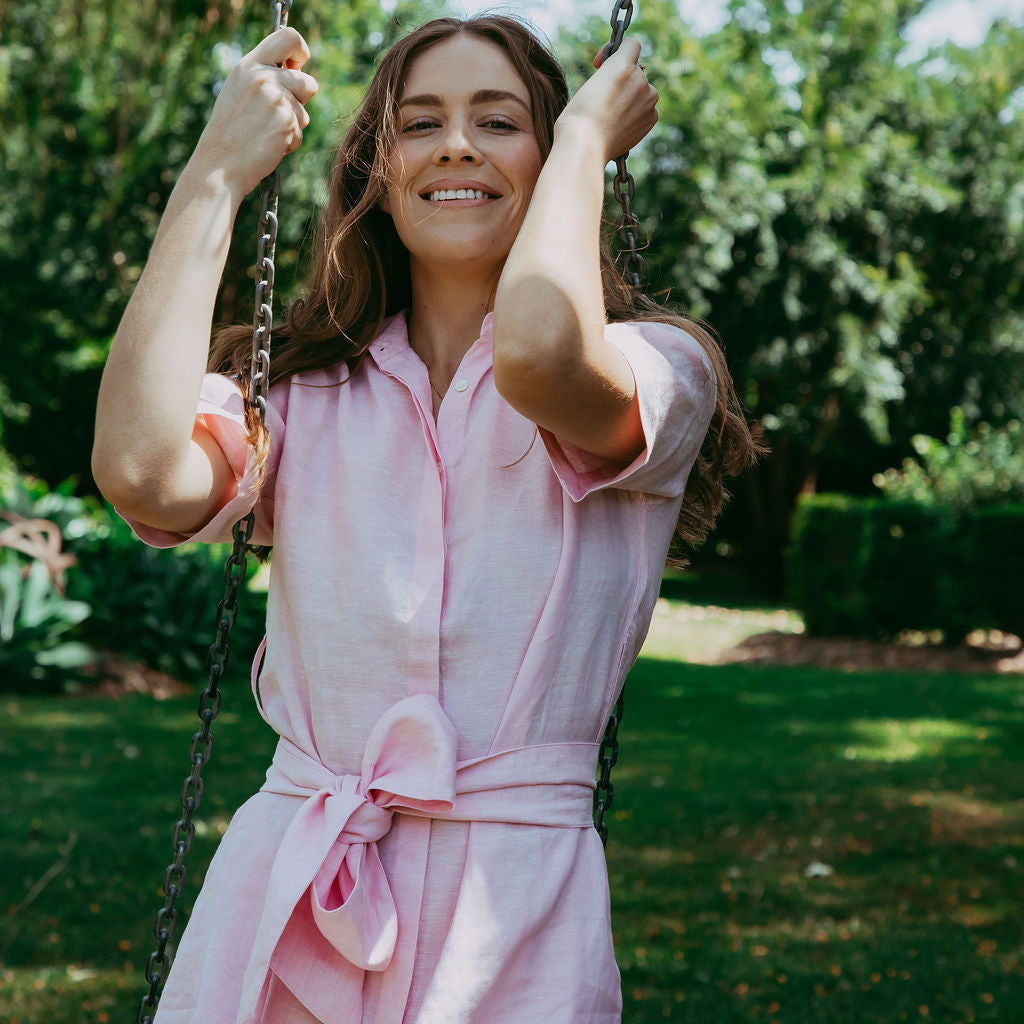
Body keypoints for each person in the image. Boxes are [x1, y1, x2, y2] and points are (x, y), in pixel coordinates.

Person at [92, 13, 761, 1024]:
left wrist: (585, 139)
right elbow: (141, 470)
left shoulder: (657, 367)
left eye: (500, 121)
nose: (456, 144)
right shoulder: (305, 395)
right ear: (379, 169)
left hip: (510, 912)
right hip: (295, 882)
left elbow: (538, 355)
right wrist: (215, 177)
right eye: (420, 123)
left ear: (551, 156)